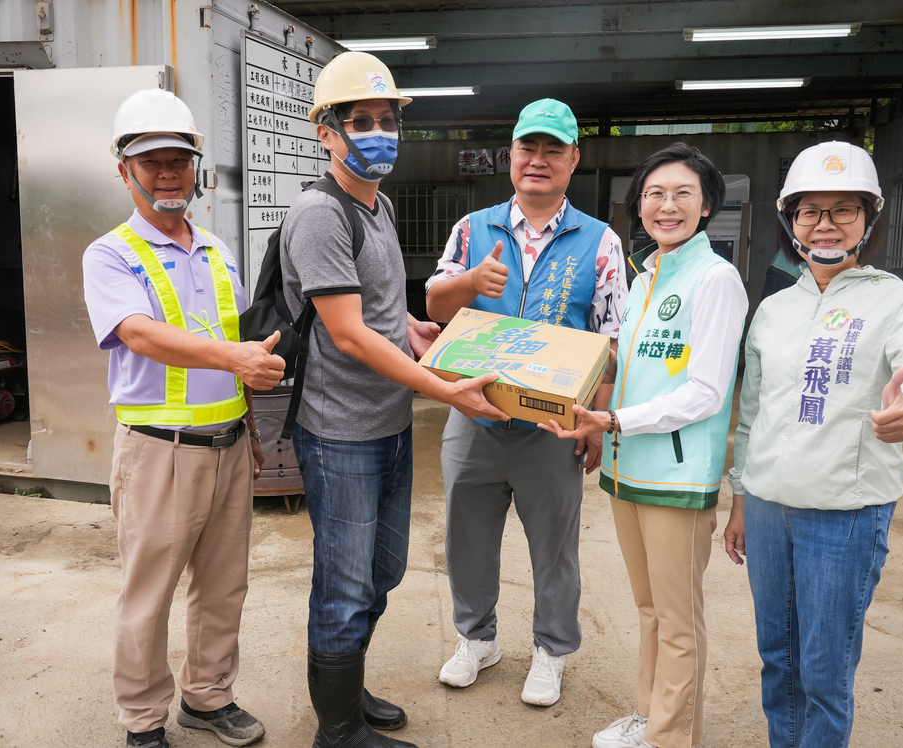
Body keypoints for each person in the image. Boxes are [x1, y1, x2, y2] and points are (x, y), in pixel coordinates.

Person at [279, 52, 506, 748]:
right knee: (345, 587)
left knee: (382, 572)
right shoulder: (320, 214)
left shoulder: (374, 206)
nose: (379, 132)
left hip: (388, 423)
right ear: (327, 131)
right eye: (361, 121)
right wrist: (442, 387)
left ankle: (347, 690)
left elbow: (367, 306)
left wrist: (408, 325)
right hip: (341, 431)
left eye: (387, 120)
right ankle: (338, 731)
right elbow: (346, 335)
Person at [723, 140, 903, 748]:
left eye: (842, 209)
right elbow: (751, 416)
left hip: (845, 516)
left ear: (868, 220)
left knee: (824, 671)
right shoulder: (772, 310)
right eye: (810, 211)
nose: (825, 224)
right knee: (777, 657)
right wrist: (741, 499)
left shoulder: (897, 301)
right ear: (790, 222)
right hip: (769, 510)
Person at [83, 89, 285, 748]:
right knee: (150, 596)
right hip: (157, 452)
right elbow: (138, 334)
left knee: (224, 588)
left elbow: (242, 354)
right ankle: (143, 721)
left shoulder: (220, 252)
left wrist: (252, 432)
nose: (168, 174)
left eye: (179, 160)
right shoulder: (110, 254)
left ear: (197, 168)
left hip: (227, 447)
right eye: (152, 162)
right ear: (125, 171)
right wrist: (234, 355)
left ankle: (208, 699)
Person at [540, 143, 747, 748]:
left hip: (677, 480)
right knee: (650, 610)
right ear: (639, 207)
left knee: (679, 621)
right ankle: (651, 716)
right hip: (630, 471)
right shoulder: (647, 274)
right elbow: (620, 363)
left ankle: (670, 736)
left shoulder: (715, 279)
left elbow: (707, 392)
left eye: (683, 193)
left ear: (707, 206)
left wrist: (617, 422)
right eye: (655, 194)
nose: (667, 205)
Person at [426, 98, 629, 707]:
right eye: (527, 148)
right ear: (510, 155)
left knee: (554, 545)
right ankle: (477, 639)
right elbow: (437, 311)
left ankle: (551, 649)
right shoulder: (472, 229)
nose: (537, 160)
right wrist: (468, 283)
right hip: (474, 412)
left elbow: (609, 339)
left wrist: (596, 419)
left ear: (573, 159)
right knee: (467, 536)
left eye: (551, 150)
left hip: (552, 424)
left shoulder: (600, 242)